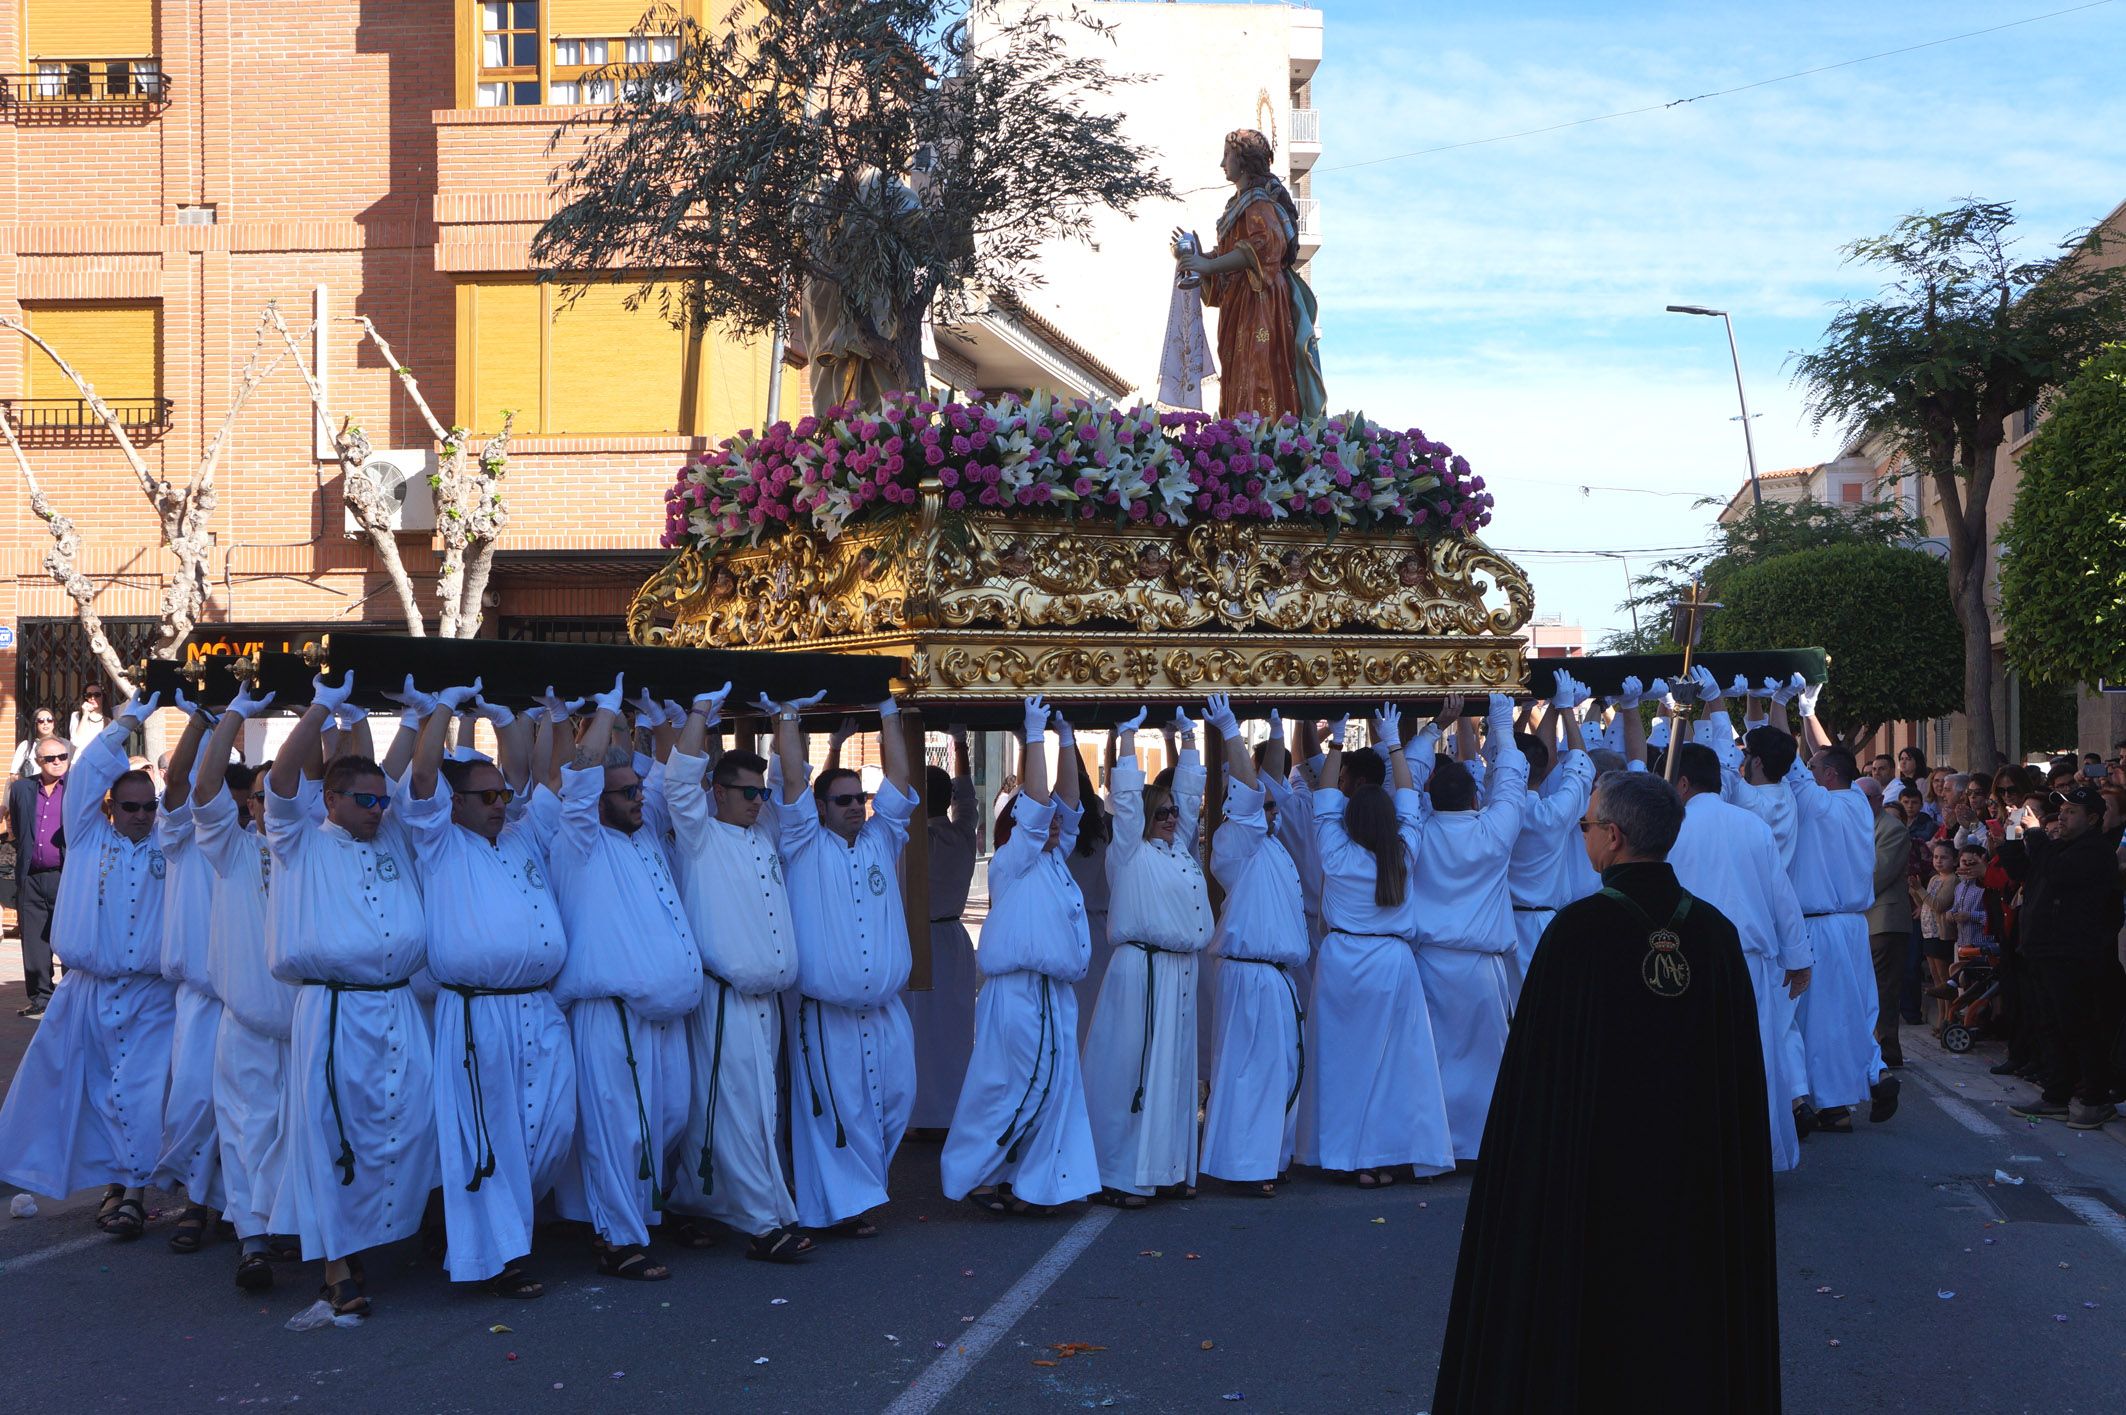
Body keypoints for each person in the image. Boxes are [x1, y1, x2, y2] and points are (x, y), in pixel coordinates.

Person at [1431, 770, 1780, 1415]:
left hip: (1589, 1187)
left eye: (1587, 824)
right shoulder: (1714, 935)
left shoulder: (1578, 934)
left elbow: (1534, 1091)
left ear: (1613, 838)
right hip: (1693, 1184)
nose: (1583, 833)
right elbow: (1736, 1087)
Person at [262, 673, 435, 1317]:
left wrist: (417, 717)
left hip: (397, 1003)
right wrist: (318, 710)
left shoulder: (388, 831)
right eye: (364, 801)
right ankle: (336, 1261)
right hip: (335, 1008)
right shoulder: (298, 838)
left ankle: (392, 1233)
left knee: (408, 1123)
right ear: (330, 801)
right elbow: (281, 782)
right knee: (334, 1133)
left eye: (381, 802)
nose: (377, 810)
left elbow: (386, 771)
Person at [397, 684, 576, 1297]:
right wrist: (444, 706)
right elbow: (423, 773)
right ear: (456, 802)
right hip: (477, 1011)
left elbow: (546, 776)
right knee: (489, 1134)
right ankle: (498, 1258)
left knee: (550, 1126)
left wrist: (517, 717)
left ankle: (491, 1229)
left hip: (538, 1005)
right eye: (488, 796)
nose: (501, 803)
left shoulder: (523, 836)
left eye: (502, 794)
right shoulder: (439, 841)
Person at [0, 689, 172, 1241]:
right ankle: (113, 1187)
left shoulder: (171, 843)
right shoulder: (88, 836)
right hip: (89, 992)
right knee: (95, 1092)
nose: (142, 815)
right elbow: (90, 769)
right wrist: (130, 721)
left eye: (150, 806)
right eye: (131, 806)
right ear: (108, 807)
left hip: (150, 994)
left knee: (143, 1095)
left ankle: (135, 1194)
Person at [547, 676, 703, 1282]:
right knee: (617, 1130)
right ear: (596, 800)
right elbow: (581, 776)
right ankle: (617, 1238)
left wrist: (685, 713)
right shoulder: (579, 838)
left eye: (638, 788)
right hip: (609, 1012)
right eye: (626, 791)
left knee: (664, 1121)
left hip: (662, 1015)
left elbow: (672, 773)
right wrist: (606, 710)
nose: (639, 796)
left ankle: (636, 1218)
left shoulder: (645, 834)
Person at [660, 690, 813, 1263]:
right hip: (722, 997)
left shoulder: (765, 831)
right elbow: (679, 785)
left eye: (761, 792)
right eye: (747, 792)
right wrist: (697, 713)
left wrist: (786, 720)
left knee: (755, 1107)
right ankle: (761, 1223)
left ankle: (690, 1202)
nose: (757, 801)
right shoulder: (700, 835)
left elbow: (794, 787)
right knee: (736, 1107)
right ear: (718, 793)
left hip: (765, 1000)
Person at [941, 698, 1099, 1214]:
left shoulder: (1054, 860)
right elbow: (1038, 809)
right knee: (1009, 1085)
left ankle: (1033, 1183)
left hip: (1053, 993)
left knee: (1052, 1087)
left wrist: (1067, 738)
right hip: (1017, 993)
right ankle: (975, 1175)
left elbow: (1068, 804)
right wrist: (1033, 733)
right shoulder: (1013, 860)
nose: (1054, 823)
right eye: (1040, 818)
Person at [771, 690, 920, 1236]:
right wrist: (790, 717)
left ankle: (865, 1190)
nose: (857, 806)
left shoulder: (883, 840)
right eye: (843, 800)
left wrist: (887, 712)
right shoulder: (802, 842)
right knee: (840, 1111)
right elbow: (791, 780)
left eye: (861, 798)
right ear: (820, 809)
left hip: (883, 1010)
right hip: (826, 1013)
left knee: (895, 1099)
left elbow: (902, 783)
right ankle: (842, 1207)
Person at [1297, 710, 1454, 1187]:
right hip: (1392, 962)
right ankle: (1385, 1155)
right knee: (1393, 1067)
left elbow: (1324, 798)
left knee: (1344, 1064)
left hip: (1343, 960)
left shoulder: (1337, 852)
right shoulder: (1403, 852)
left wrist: (1338, 741)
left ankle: (1349, 1158)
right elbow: (1407, 797)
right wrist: (1392, 744)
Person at [1662, 741, 1814, 1171]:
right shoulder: (1751, 827)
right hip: (1747, 963)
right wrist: (1798, 958)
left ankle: (1694, 1155)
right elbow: (1781, 897)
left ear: (1684, 782)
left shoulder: (1667, 828)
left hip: (1683, 962)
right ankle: (1749, 1154)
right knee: (1754, 1057)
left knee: (1690, 1057)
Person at [1082, 707, 1213, 1206]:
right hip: (1142, 971)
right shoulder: (1129, 852)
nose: (1172, 819)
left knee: (1174, 1072)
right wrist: (1129, 740)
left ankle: (1170, 1167)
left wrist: (1189, 740)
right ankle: (1120, 1173)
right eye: (1163, 814)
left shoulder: (1179, 850)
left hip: (1178, 971)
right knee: (1132, 1072)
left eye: (1173, 814)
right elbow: (1129, 801)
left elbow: (1190, 798)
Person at [191, 685, 298, 1292]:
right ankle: (252, 1243)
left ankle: (298, 1230)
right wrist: (232, 716)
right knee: (247, 1131)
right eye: (256, 797)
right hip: (249, 1023)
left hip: (305, 1021)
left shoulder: (308, 846)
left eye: (273, 795)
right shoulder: (231, 848)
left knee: (303, 1131)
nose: (264, 806)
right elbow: (204, 792)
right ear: (247, 805)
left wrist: (335, 716)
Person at [1404, 693, 1528, 1162]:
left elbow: (1407, 783)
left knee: (1432, 1061)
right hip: (1479, 966)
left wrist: (1436, 728)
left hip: (1431, 960)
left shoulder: (1417, 827)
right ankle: (1482, 1149)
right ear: (1475, 797)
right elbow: (1512, 782)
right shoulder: (1493, 831)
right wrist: (1501, 724)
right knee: (1485, 1062)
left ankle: (1434, 1151)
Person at [1199, 693, 1310, 1197]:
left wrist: (1281, 731)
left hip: (1276, 977)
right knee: (1250, 1071)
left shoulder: (1272, 846)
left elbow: (1267, 784)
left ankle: (1273, 1156)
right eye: (1263, 806)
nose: (1272, 808)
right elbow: (1249, 788)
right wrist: (1228, 729)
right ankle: (1246, 1164)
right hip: (1248, 972)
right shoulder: (1234, 843)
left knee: (1281, 1067)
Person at [1788, 686, 1899, 1131]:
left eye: (1815, 767)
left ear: (1827, 776)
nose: (1810, 766)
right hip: (1854, 925)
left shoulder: (1815, 802)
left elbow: (1787, 761)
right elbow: (1825, 754)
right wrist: (1808, 712)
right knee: (1856, 1011)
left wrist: (1780, 710)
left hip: (1821, 928)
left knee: (1820, 1020)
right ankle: (1873, 1074)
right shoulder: (1856, 800)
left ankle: (1828, 1104)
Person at [1174, 128, 1326, 422]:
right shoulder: (1238, 205)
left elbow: (1262, 247)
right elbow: (1229, 258)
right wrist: (1198, 257)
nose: (1222, 164)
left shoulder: (1259, 203)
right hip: (1240, 302)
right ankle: (1237, 438)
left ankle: (1261, 440)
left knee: (1257, 368)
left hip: (1261, 300)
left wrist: (1207, 265)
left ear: (1243, 160)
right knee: (1237, 371)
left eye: (1227, 156)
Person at [2000, 785, 2125, 1130]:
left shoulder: (2094, 851)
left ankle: (2094, 1099)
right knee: (2050, 1025)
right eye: (2062, 811)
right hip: (2042, 951)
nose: (2064, 818)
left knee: (2079, 1026)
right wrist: (2014, 831)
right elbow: (2019, 869)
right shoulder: (2057, 848)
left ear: (2093, 818)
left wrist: (2037, 835)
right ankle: (2056, 1096)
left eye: (2072, 812)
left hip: (2073, 955)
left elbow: (2057, 875)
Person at [151, 698, 226, 1254]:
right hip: (201, 998)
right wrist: (205, 718)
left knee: (255, 1112)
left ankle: (238, 1212)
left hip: (257, 1002)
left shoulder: (261, 844)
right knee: (195, 1103)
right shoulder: (182, 838)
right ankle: (195, 1203)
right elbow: (177, 779)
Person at [907, 726, 979, 1136]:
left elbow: (962, 798)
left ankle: (919, 1115)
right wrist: (960, 745)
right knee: (952, 1032)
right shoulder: (961, 835)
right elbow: (967, 798)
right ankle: (949, 1112)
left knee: (918, 1033)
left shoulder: (912, 839)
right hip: (952, 939)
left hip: (919, 939)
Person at [1505, 675, 1596, 998]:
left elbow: (1540, 761)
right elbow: (1581, 768)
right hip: (1544, 925)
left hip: (1501, 927)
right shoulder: (1553, 815)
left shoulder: (1494, 811)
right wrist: (1565, 709)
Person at [6, 732, 72, 1015]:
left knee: (69, 939)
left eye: (62, 757)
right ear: (38, 761)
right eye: (50, 758)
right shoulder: (22, 790)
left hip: (65, 876)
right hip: (31, 876)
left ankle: (71, 997)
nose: (57, 762)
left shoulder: (75, 788)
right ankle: (41, 998)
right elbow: (20, 830)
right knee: (33, 941)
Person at [1861, 776, 1912, 1068]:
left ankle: (1887, 1047)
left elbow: (1878, 874)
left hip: (1885, 919)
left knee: (1884, 988)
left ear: (1879, 800)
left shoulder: (1892, 829)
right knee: (1869, 987)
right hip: (1866, 920)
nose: (1862, 804)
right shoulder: (1857, 827)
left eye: (1867, 798)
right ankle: (1873, 1045)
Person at [6, 706, 58, 778]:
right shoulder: (25, 746)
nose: (45, 723)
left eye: (49, 720)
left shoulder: (65, 744)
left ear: (54, 723)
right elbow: (13, 775)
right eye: (41, 720)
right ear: (35, 724)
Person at [68, 682, 109, 753]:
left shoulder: (113, 712)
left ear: (103, 696)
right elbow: (76, 742)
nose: (93, 698)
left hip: (103, 759)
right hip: (82, 759)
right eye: (89, 695)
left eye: (97, 695)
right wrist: (85, 715)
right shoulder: (76, 715)